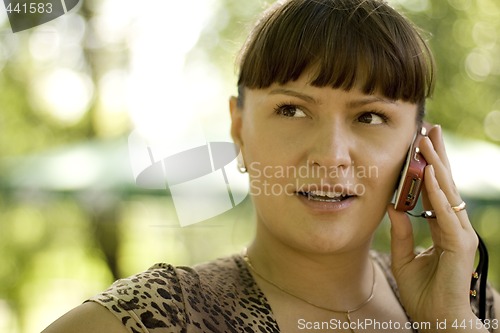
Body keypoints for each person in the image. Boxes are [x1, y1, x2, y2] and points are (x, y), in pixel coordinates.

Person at [42, 0, 499, 332]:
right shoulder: (150, 319)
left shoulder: (476, 309)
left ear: (420, 153)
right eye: (292, 110)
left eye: (370, 116)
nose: (331, 154)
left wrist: (452, 323)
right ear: (239, 129)